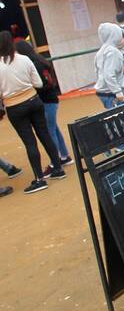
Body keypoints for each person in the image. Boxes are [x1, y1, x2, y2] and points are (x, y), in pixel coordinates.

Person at [0, 31, 66, 193]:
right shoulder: (24, 59)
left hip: (14, 106)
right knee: (44, 134)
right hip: (34, 100)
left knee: (29, 142)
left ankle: (39, 179)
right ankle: (58, 169)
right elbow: (37, 82)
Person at [14, 41, 73, 168]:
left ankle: (55, 161)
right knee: (54, 128)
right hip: (51, 98)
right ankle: (64, 156)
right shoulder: (40, 60)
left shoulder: (35, 64)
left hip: (46, 100)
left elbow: (41, 84)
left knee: (49, 130)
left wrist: (30, 89)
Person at [94, 23, 124, 111]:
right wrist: (118, 92)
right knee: (119, 117)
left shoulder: (101, 51)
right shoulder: (113, 52)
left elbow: (97, 71)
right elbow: (109, 74)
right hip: (110, 92)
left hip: (103, 91)